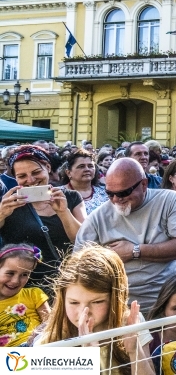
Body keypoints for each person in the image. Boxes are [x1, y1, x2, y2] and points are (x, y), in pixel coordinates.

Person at [75, 158, 176, 313]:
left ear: (143, 184)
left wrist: (135, 251)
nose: (117, 199)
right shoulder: (97, 218)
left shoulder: (168, 200)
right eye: (110, 194)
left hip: (167, 303)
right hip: (120, 308)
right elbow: (80, 267)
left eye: (124, 193)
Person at [36, 245, 155, 375]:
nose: (84, 312)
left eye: (97, 302)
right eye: (74, 302)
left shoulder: (129, 324)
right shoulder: (51, 340)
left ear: (115, 298)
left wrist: (134, 350)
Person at [0, 145, 85, 290]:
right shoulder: (9, 204)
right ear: (15, 178)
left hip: (68, 284)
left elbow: (84, 242)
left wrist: (64, 212)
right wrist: (1, 214)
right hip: (23, 289)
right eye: (22, 176)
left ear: (48, 167)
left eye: (36, 172)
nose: (30, 180)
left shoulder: (71, 197)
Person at [0, 244, 50, 346]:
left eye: (24, 275)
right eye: (10, 273)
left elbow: (51, 322)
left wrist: (40, 332)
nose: (15, 281)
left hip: (39, 345)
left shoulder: (34, 294)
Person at [60, 148, 108, 215]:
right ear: (68, 173)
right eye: (81, 166)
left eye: (90, 166)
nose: (87, 169)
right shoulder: (59, 194)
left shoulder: (105, 193)